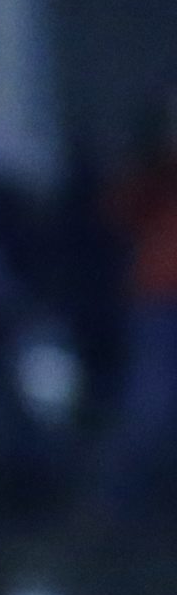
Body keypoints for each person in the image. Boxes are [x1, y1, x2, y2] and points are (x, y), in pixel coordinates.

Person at [97, 88, 177, 521]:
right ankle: (124, 507)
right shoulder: (154, 174)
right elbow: (119, 210)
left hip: (157, 294)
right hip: (160, 298)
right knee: (151, 405)